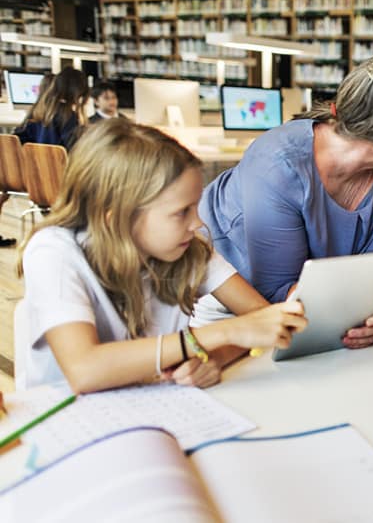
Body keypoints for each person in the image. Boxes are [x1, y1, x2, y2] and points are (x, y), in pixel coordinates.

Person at [17, 119, 307, 392]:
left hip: (151, 404)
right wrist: (219, 334)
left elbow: (260, 320)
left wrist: (213, 358)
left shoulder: (186, 247)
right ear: (118, 218)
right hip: (65, 419)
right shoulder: (53, 252)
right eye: (182, 212)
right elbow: (84, 370)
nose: (198, 223)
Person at [199, 53, 373, 345]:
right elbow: (274, 290)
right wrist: (356, 302)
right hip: (225, 300)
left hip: (319, 310)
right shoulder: (278, 164)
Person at [14, 67, 87, 149]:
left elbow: (17, 139)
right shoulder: (68, 116)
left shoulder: (36, 112)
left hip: (35, 160)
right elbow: (74, 149)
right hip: (60, 161)